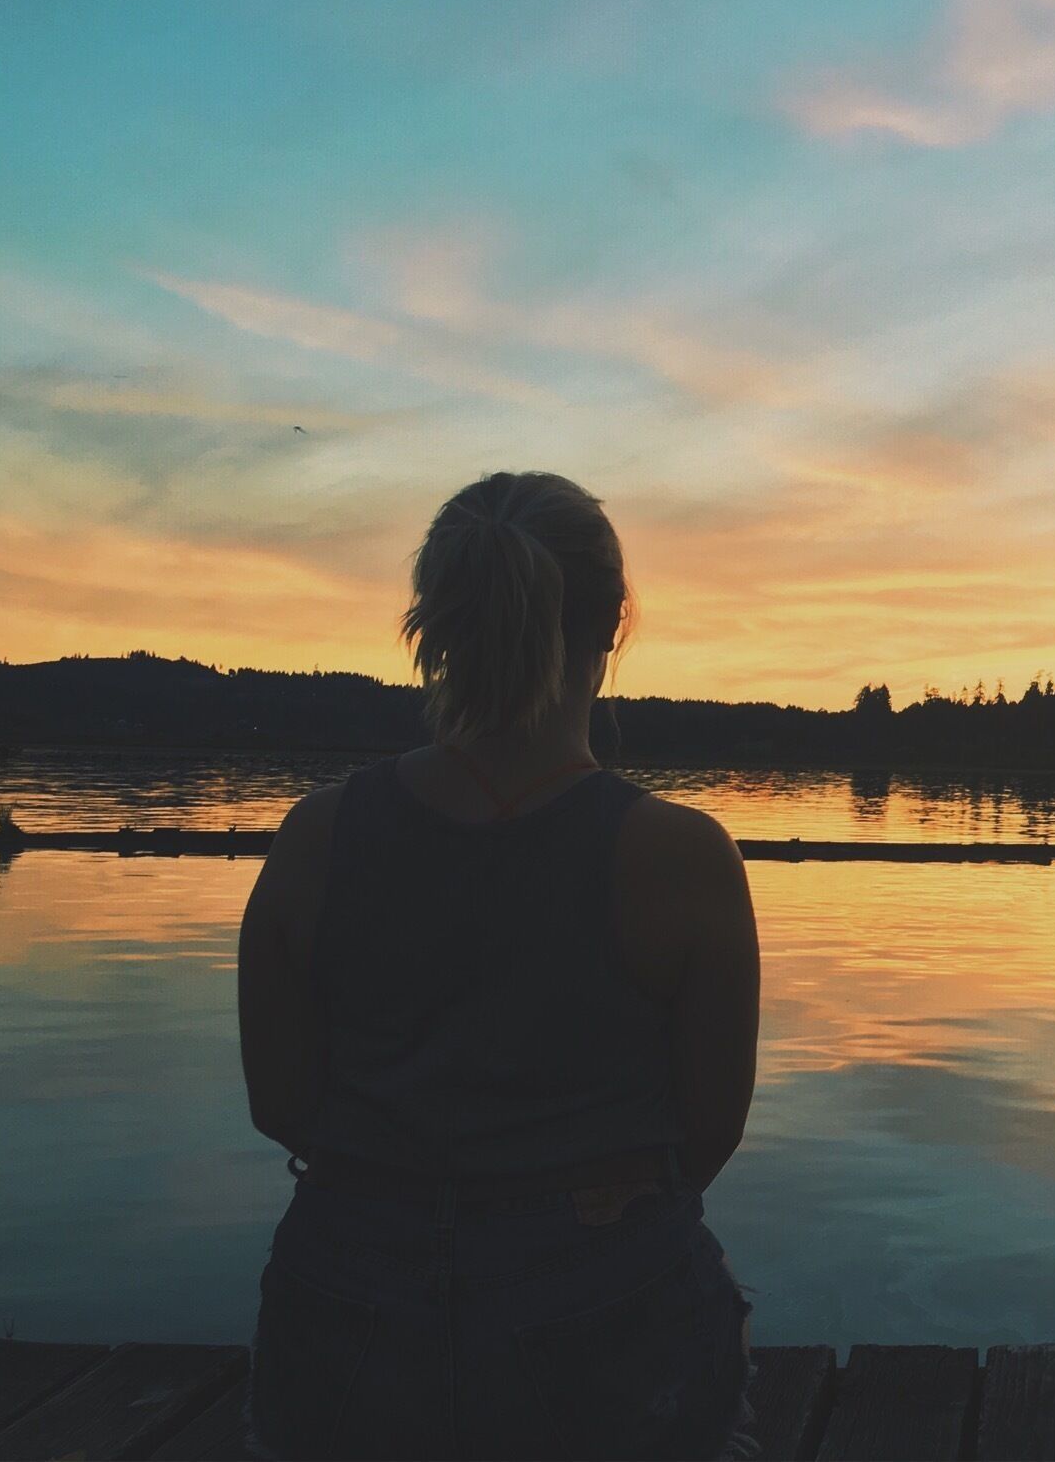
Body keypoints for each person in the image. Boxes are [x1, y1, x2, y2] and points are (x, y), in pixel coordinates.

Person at [235, 470, 762, 1460]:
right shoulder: (683, 858)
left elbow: (280, 1103)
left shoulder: (316, 838)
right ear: (610, 623)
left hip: (348, 1303)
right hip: (605, 1316)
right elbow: (705, 1138)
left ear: (433, 621)